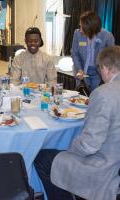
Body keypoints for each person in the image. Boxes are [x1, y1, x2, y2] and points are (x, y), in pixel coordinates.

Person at [34, 45, 120, 200]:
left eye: (100, 69)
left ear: (106, 69)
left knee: (42, 157)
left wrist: (67, 146)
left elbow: (89, 145)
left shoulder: (104, 94)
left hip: (105, 169)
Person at [72, 11, 115, 91]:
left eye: (82, 27)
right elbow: (75, 54)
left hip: (98, 72)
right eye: (80, 26)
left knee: (95, 95)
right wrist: (79, 69)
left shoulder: (107, 36)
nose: (80, 30)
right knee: (81, 95)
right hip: (81, 69)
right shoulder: (77, 34)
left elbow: (111, 58)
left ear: (91, 27)